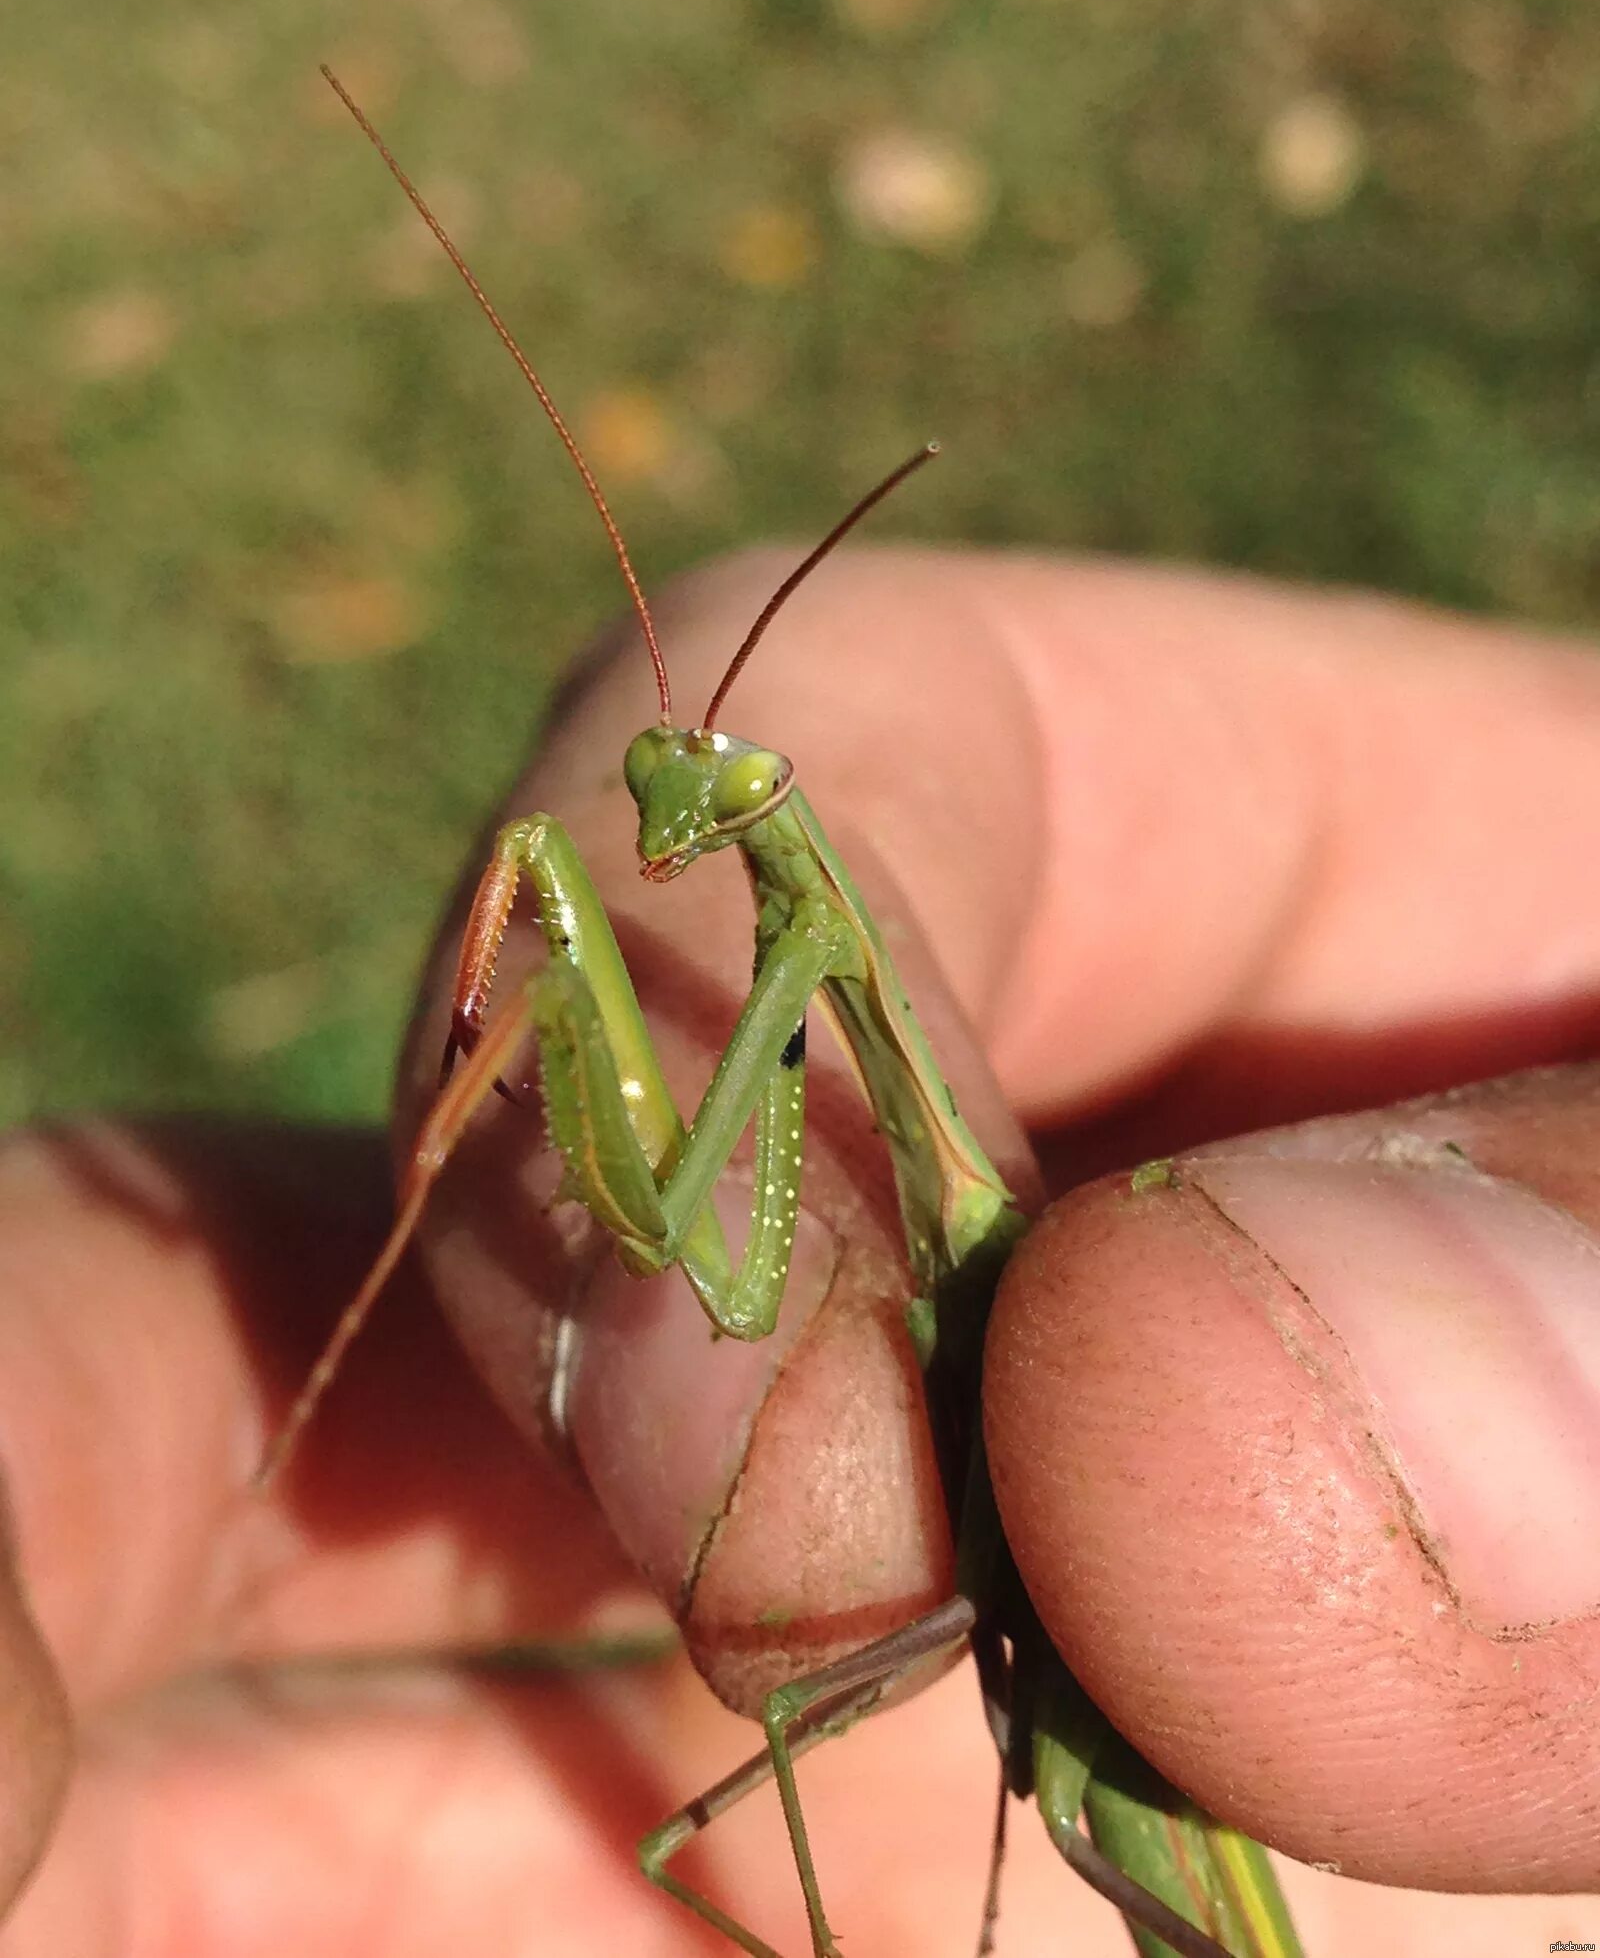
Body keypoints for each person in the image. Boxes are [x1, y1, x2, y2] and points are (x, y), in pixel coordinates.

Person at [5, 550, 1599, 1954]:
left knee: (706, 1816)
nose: (662, 832)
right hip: (1099, 1748)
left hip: (1174, 1805)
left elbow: (705, 1247)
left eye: (704, 804)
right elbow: (708, 1250)